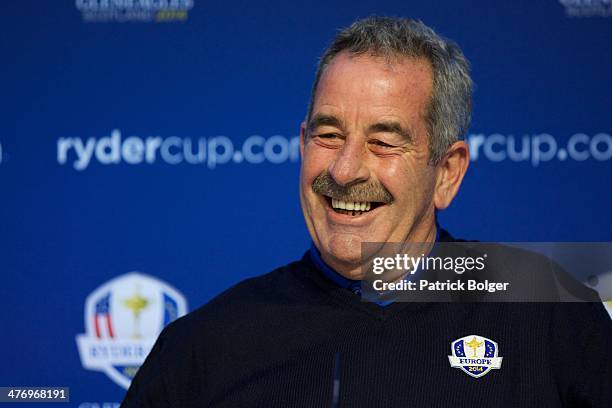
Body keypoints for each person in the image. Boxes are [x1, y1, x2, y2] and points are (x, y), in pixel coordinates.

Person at [121, 16, 611, 407]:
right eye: (328, 136)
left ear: (447, 172)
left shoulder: (550, 316)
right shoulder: (202, 348)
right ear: (302, 143)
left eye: (383, 142)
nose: (346, 168)